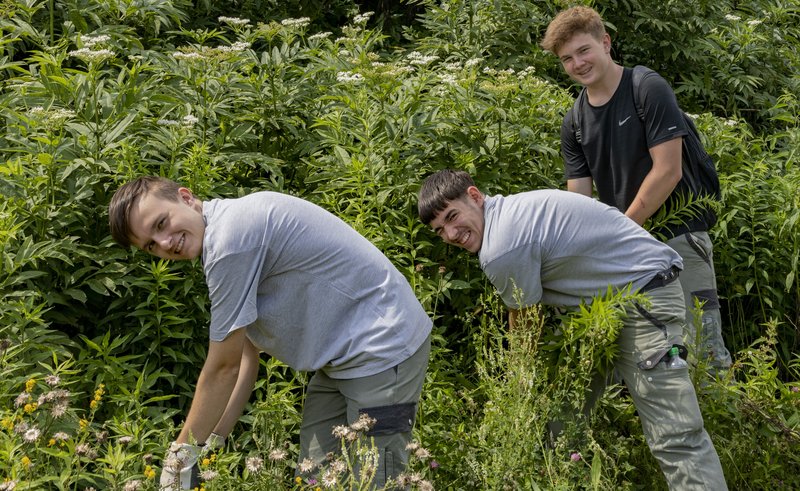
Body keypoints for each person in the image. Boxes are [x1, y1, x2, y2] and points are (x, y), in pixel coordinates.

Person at [108, 176, 432, 490]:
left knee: (379, 479)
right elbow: (245, 357)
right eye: (151, 245)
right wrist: (215, 438)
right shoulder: (224, 235)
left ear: (186, 197)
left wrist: (178, 458)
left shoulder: (229, 242)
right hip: (342, 360)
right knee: (315, 477)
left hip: (384, 346)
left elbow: (223, 368)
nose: (164, 243)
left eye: (161, 223)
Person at [418, 169, 727, 490]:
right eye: (440, 230)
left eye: (453, 217)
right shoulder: (510, 214)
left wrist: (518, 385)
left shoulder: (501, 245)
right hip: (602, 309)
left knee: (675, 434)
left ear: (474, 195)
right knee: (561, 419)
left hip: (643, 298)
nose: (452, 234)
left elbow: (524, 322)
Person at [541, 6, 731, 373]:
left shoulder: (646, 87)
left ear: (605, 42)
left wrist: (619, 234)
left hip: (679, 234)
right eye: (567, 58)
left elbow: (668, 171)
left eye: (583, 50)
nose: (578, 63)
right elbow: (580, 201)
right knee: (661, 357)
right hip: (631, 248)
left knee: (706, 348)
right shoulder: (574, 121)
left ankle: (731, 427)